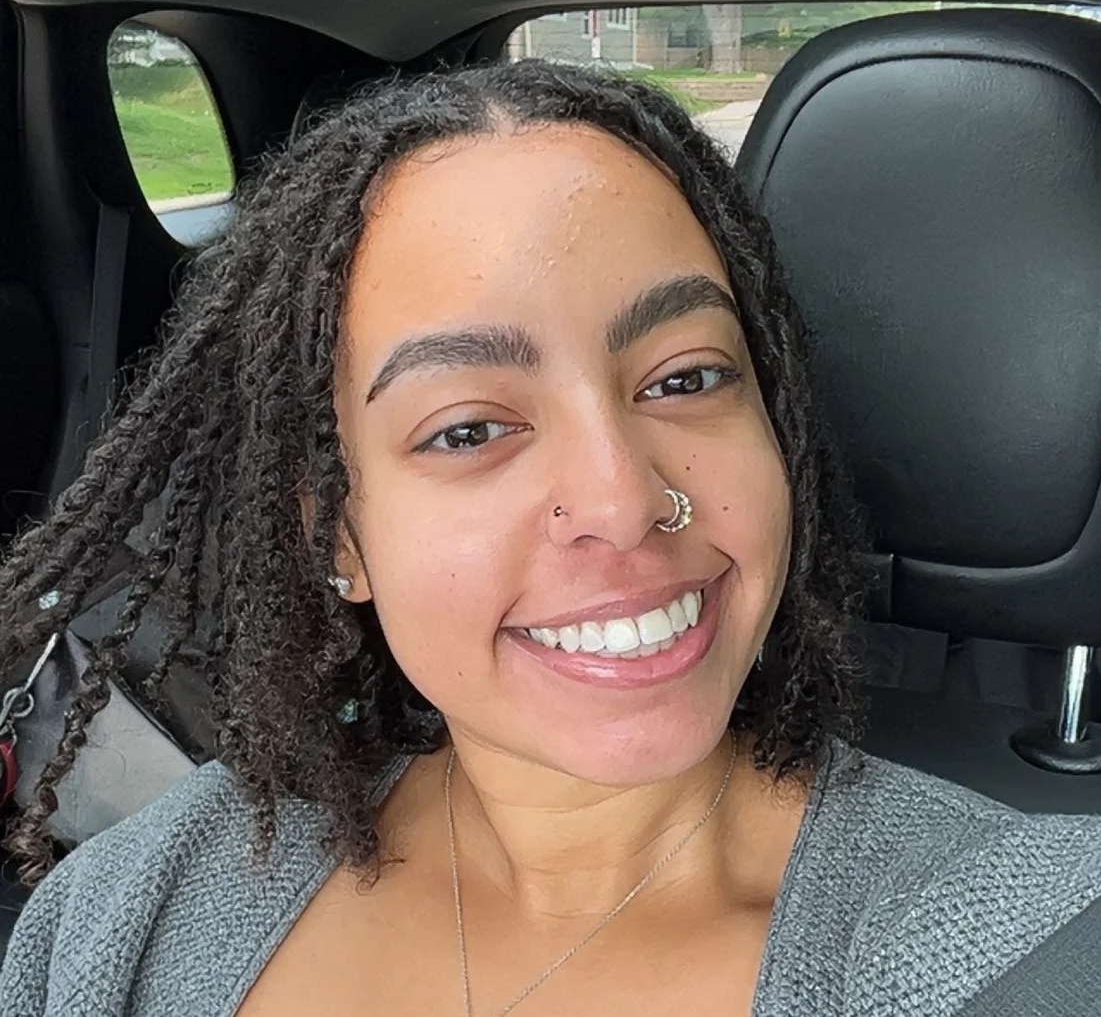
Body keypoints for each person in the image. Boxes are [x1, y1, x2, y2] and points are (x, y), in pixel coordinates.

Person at [0, 60, 1098, 1017]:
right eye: (469, 429)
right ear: (337, 535)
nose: (623, 501)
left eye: (686, 377)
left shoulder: (1037, 951)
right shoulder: (120, 919)